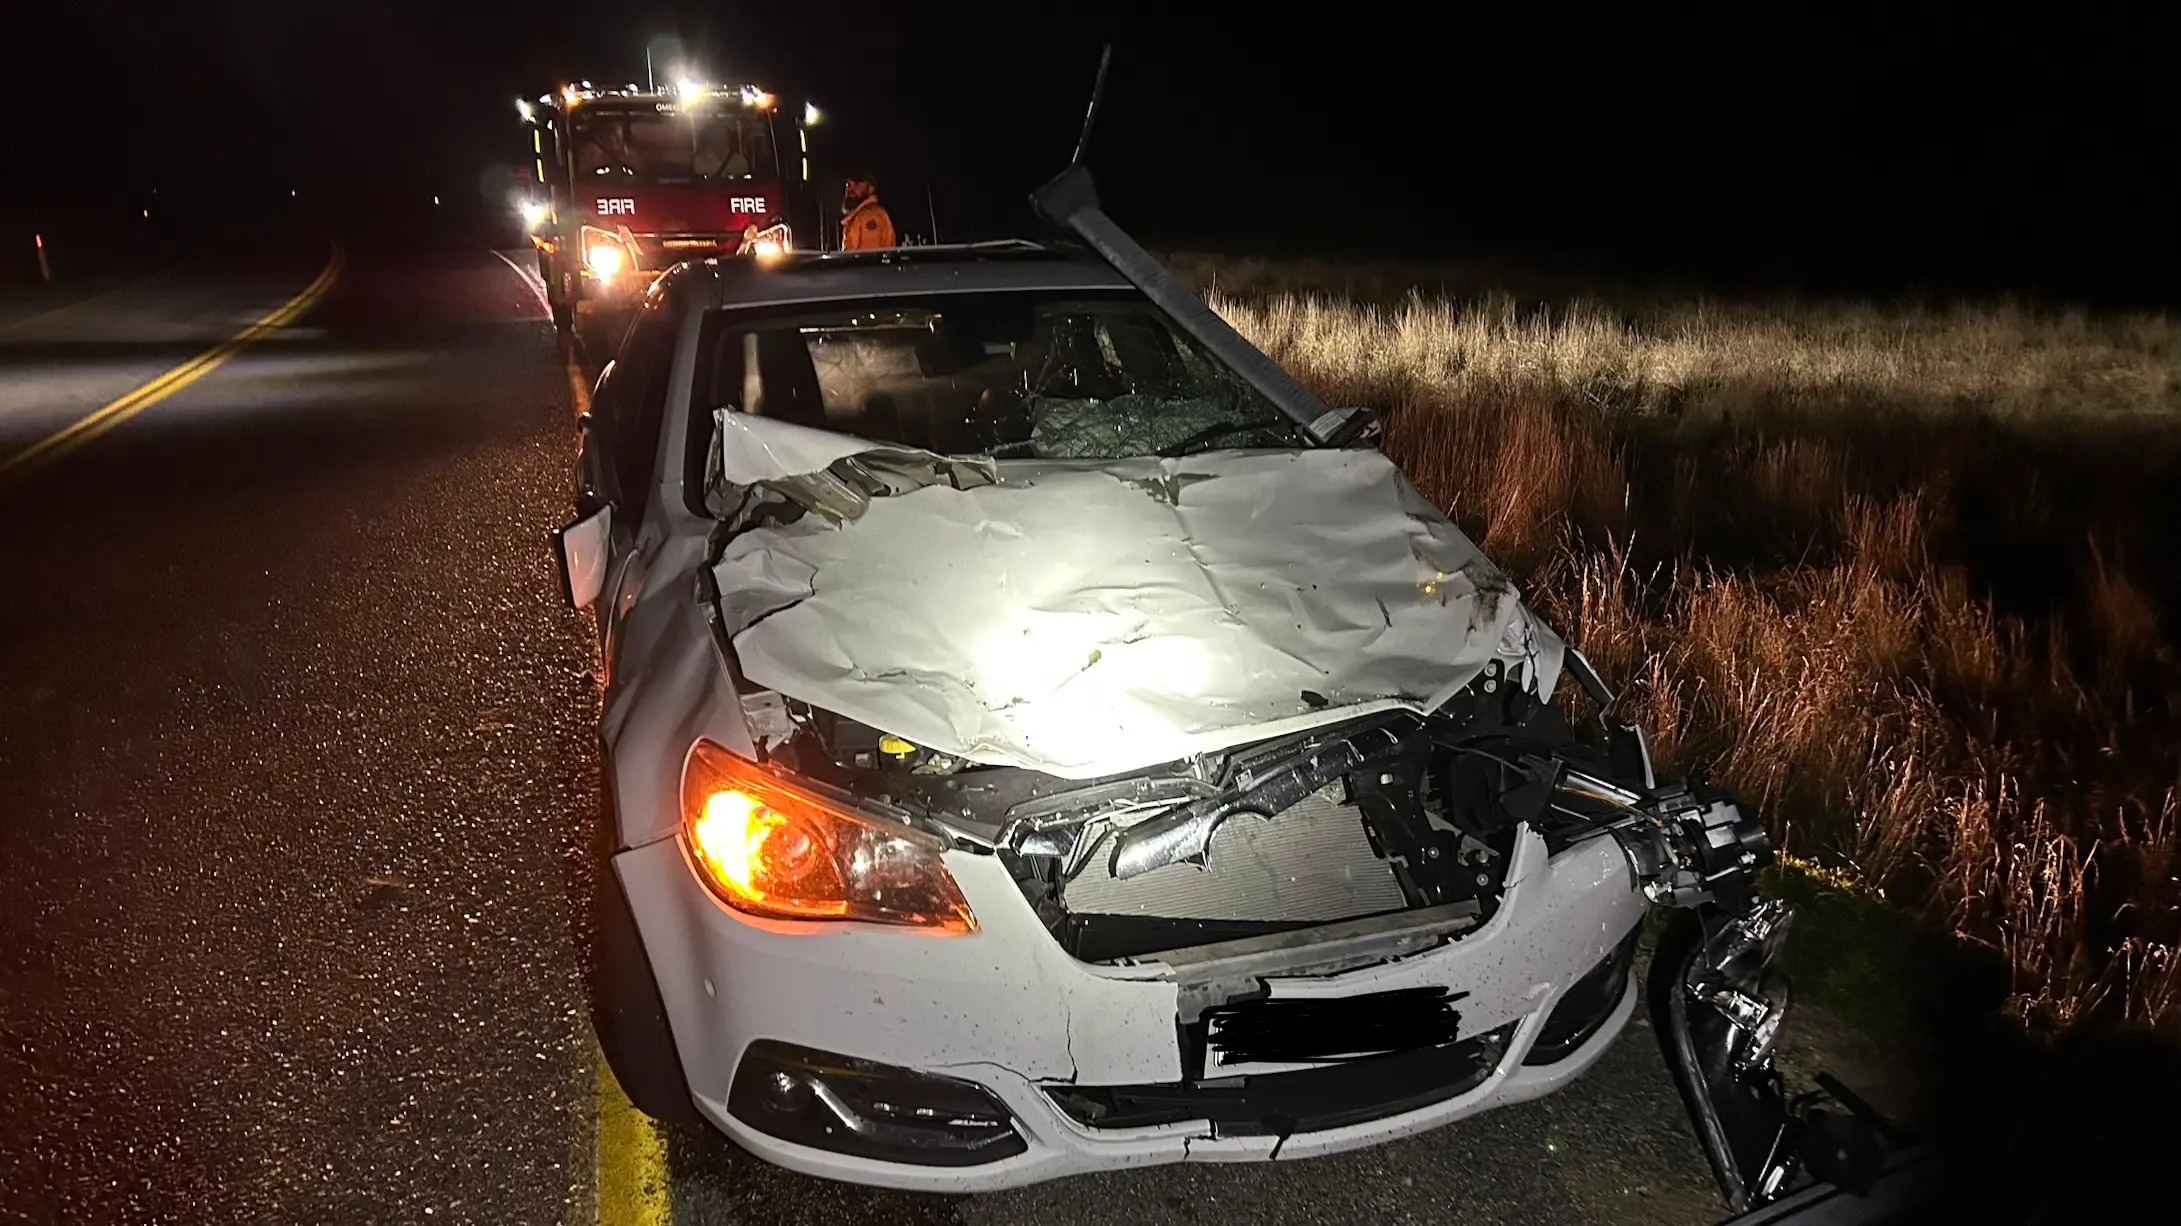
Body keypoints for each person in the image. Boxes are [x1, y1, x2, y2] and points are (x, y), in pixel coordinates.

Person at [839, 170, 895, 250]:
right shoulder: (858, 217)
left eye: (858, 183)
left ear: (871, 189)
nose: (850, 187)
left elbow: (868, 256)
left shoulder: (871, 216)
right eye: (848, 184)